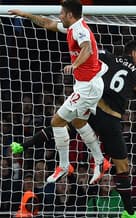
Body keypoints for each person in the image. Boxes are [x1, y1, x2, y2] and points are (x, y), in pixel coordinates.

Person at [11, 40, 136, 218]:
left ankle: (23, 145)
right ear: (134, 53)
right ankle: (129, 212)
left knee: (62, 125)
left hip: (93, 105)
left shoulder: (108, 57)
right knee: (123, 167)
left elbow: (91, 57)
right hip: (110, 119)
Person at [9, 0, 109, 184]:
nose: (60, 16)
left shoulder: (80, 30)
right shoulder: (72, 28)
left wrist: (75, 64)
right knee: (79, 122)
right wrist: (25, 15)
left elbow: (86, 47)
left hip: (88, 87)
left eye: (62, 13)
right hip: (87, 84)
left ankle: (64, 166)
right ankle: (101, 161)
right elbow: (48, 23)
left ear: (70, 14)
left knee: (56, 122)